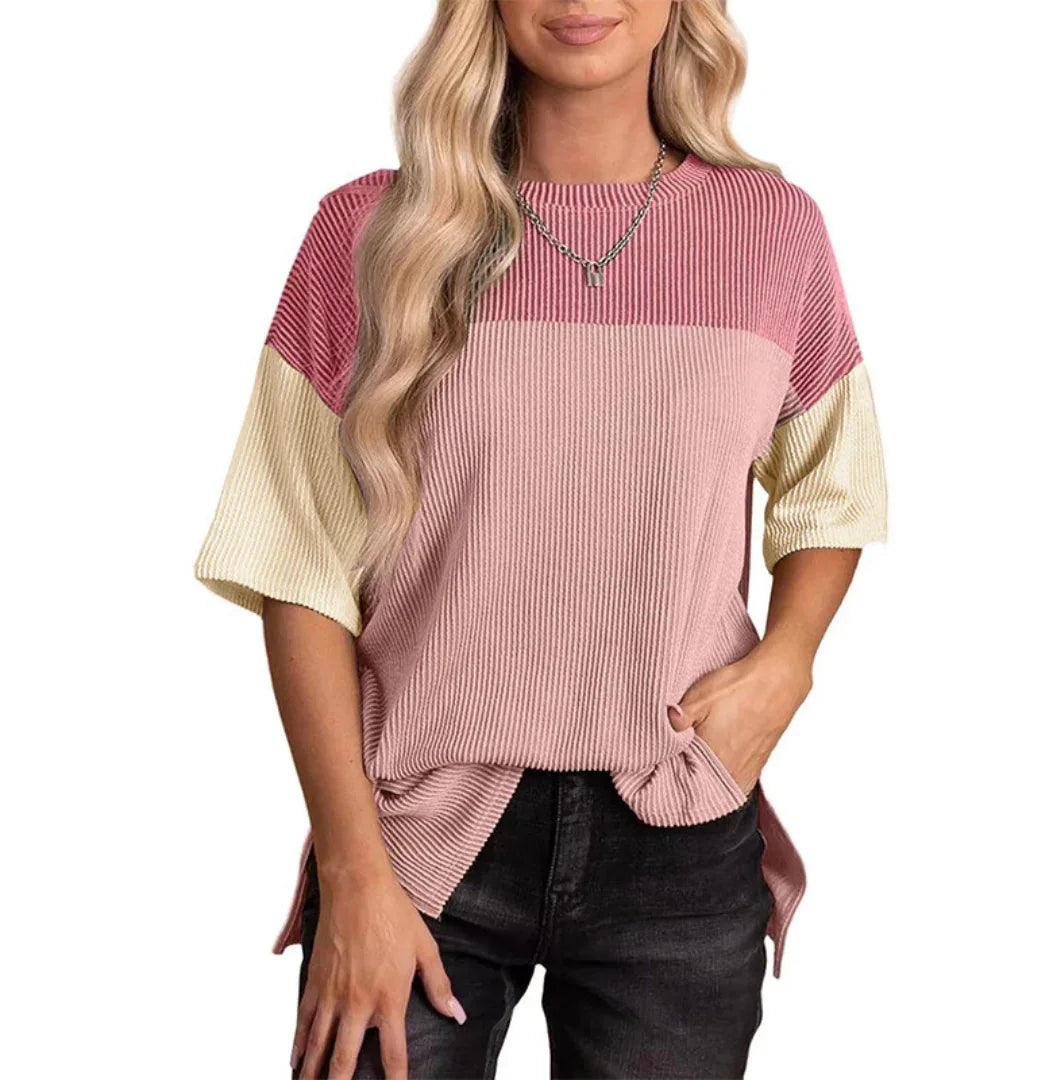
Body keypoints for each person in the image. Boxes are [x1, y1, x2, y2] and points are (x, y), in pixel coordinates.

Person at [193, 2, 888, 1077]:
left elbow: (832, 486)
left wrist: (787, 662)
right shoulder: (367, 232)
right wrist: (353, 871)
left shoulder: (771, 231)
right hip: (414, 839)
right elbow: (297, 565)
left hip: (676, 819)